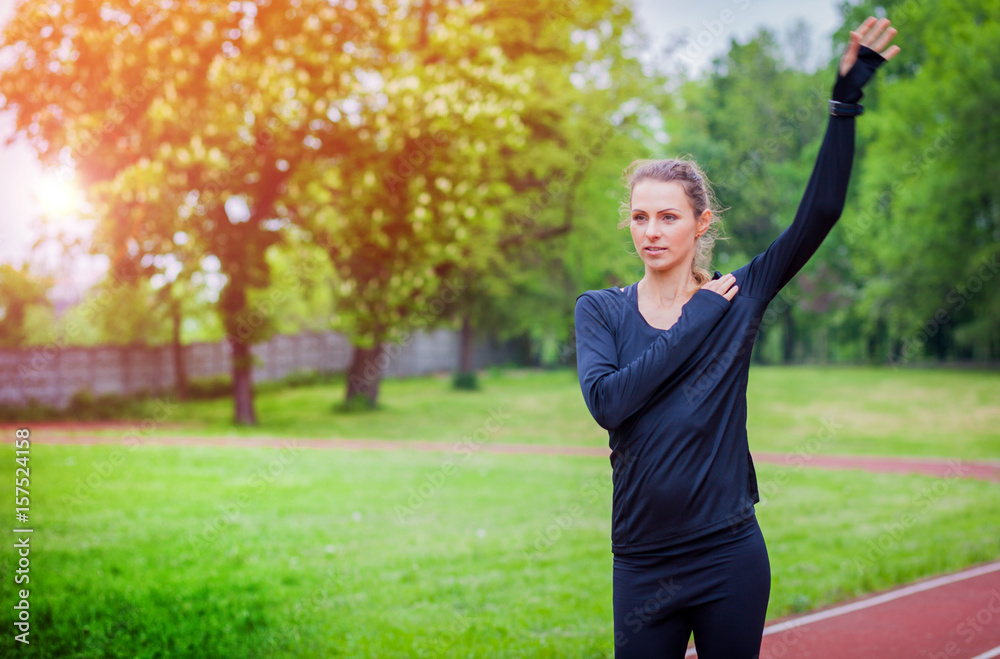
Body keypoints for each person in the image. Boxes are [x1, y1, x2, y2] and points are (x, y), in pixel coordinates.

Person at [573, 17, 900, 659]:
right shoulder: (601, 312)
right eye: (640, 216)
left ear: (701, 223)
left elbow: (822, 213)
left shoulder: (739, 296)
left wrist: (845, 103)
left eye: (669, 216)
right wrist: (695, 320)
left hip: (729, 555)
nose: (652, 231)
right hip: (641, 563)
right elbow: (609, 404)